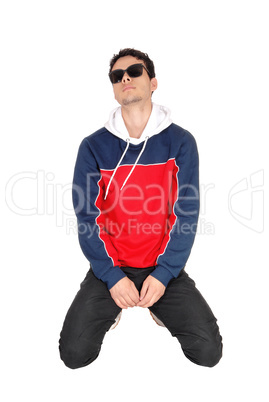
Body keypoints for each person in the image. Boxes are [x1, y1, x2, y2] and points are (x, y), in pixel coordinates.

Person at [59, 48, 223, 369]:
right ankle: (116, 308)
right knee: (74, 356)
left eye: (134, 71)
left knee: (208, 353)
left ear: (153, 83)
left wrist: (163, 274)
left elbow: (186, 213)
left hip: (162, 269)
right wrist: (110, 276)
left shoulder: (181, 142)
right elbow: (86, 217)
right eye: (117, 76)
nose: (125, 78)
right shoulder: (93, 146)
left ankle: (156, 309)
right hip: (112, 269)